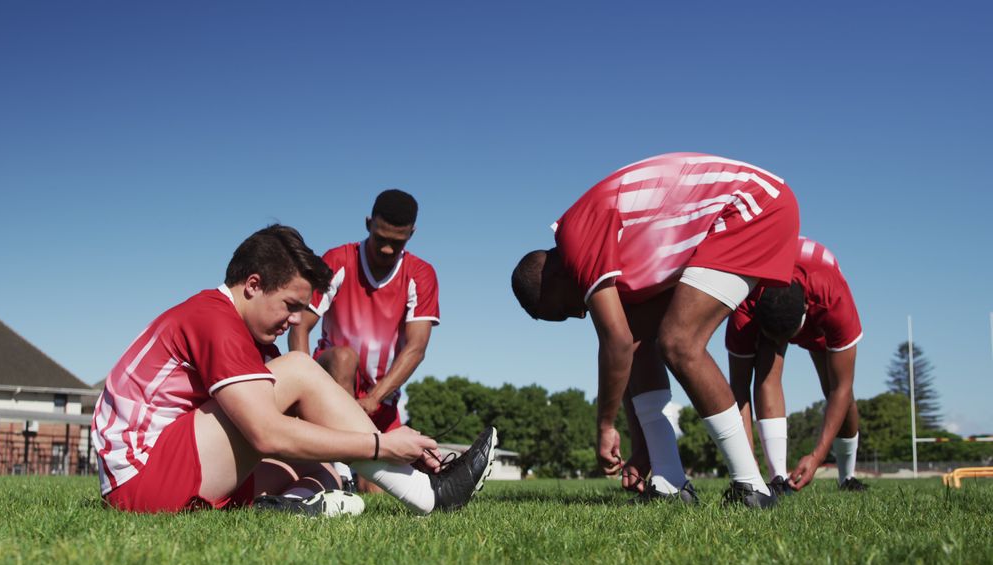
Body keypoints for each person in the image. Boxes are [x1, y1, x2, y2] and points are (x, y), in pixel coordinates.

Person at [92, 224, 496, 515]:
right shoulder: (216, 319)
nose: (294, 321)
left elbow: (302, 422)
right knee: (299, 368)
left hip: (160, 469)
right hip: (142, 477)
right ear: (252, 285)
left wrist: (398, 446)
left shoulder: (241, 329)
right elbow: (266, 433)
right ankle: (430, 494)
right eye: (290, 305)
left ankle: (285, 509)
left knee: (324, 472)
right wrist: (382, 445)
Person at [512, 152, 799, 508]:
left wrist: (605, 425)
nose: (580, 314)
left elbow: (613, 341)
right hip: (743, 205)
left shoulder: (575, 237)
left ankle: (752, 487)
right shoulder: (597, 245)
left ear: (553, 277)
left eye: (564, 311)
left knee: (680, 342)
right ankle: (669, 481)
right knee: (639, 339)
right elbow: (628, 345)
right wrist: (642, 449)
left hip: (753, 204)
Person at [289, 190, 438, 490]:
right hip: (332, 377)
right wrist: (301, 385)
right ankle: (342, 464)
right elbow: (300, 326)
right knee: (345, 357)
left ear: (412, 233)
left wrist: (373, 399)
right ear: (368, 223)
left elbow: (416, 348)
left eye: (397, 242)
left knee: (381, 492)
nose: (386, 249)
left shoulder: (420, 274)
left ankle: (356, 467)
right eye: (380, 238)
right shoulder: (338, 260)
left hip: (380, 398)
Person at [727, 236, 866, 494]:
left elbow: (841, 389)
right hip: (768, 287)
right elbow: (738, 387)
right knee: (766, 370)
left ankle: (848, 477)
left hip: (816, 294)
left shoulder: (831, 297)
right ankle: (778, 477)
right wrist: (745, 463)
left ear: (806, 309)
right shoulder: (746, 300)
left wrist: (816, 457)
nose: (784, 343)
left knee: (837, 391)